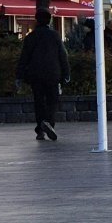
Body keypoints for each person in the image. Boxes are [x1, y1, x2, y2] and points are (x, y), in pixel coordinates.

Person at [17, 8, 70, 141]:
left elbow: (24, 57)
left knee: (39, 101)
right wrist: (66, 73)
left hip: (35, 74)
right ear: (49, 20)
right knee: (53, 99)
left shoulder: (31, 37)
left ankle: (40, 130)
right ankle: (48, 122)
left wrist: (19, 75)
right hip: (53, 73)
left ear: (36, 20)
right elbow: (63, 55)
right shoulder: (55, 35)